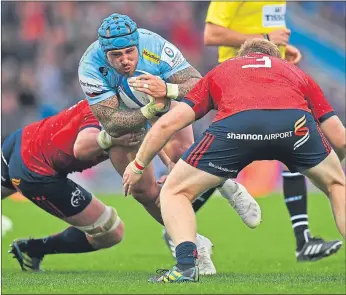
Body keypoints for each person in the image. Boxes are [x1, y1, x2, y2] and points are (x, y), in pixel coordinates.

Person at [123, 39, 346, 283]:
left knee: (175, 192)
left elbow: (169, 123)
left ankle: (186, 267)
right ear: (276, 58)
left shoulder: (224, 68)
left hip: (236, 128)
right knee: (338, 185)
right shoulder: (295, 72)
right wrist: (325, 166)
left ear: (241, 55)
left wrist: (138, 165)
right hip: (294, 126)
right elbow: (340, 139)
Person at [78, 13, 262, 275]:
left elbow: (200, 86)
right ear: (104, 53)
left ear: (137, 44)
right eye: (116, 55)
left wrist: (167, 89)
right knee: (142, 191)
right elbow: (112, 121)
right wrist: (147, 112)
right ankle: (195, 244)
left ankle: (226, 184)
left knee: (180, 160)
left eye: (130, 52)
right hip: (126, 122)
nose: (125, 60)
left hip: (162, 103)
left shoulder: (154, 46)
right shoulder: (90, 65)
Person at [201, 0, 342, 262]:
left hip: (272, 79)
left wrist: (279, 51)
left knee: (294, 148)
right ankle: (179, 219)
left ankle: (303, 240)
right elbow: (212, 34)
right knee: (220, 162)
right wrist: (266, 38)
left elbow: (267, 35)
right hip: (237, 83)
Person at [3, 99, 144, 271]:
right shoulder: (104, 110)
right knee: (112, 231)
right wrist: (111, 139)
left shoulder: (104, 100)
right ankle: (35, 248)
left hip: (22, 139)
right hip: (36, 170)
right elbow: (81, 147)